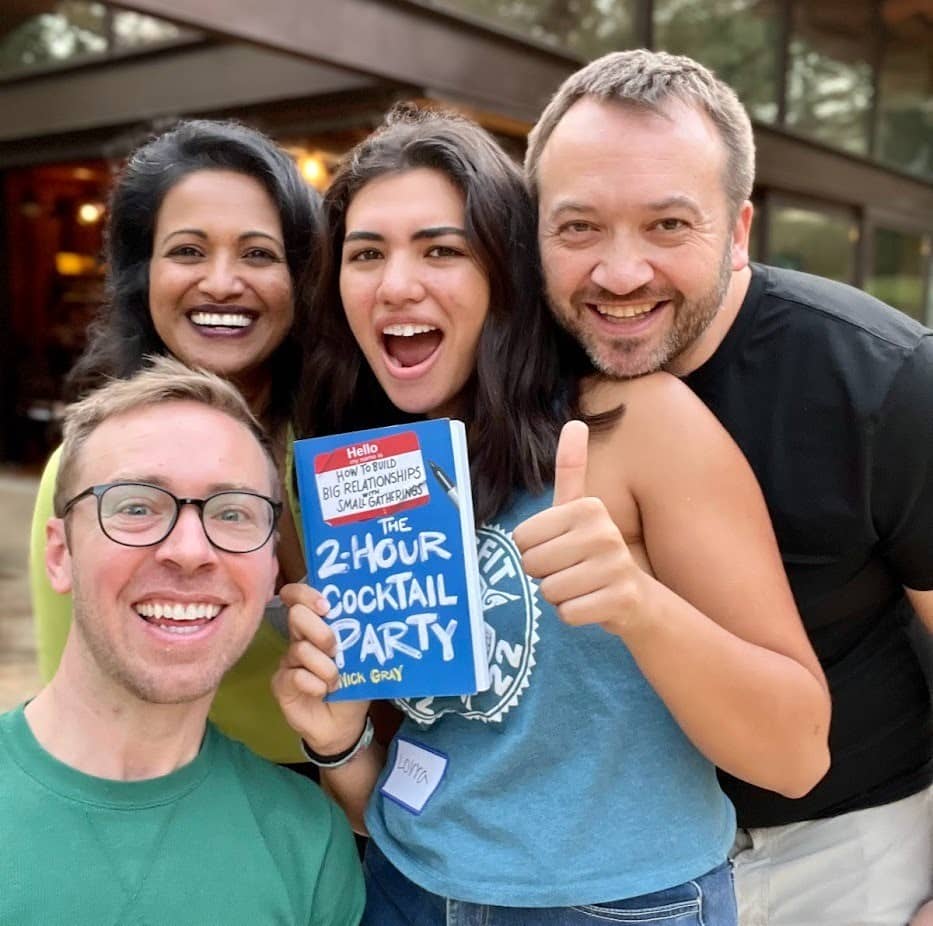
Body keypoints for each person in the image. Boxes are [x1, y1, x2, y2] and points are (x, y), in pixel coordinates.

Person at [273, 104, 831, 924]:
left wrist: (639, 608)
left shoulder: (636, 424)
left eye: (440, 249)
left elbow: (794, 755)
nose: (396, 284)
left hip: (617, 907)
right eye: (366, 254)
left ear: (506, 271)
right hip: (403, 889)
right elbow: (397, 786)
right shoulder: (361, 472)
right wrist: (337, 741)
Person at [524, 48, 933, 924]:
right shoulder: (524, 363)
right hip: (603, 868)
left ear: (739, 229)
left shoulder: (881, 381)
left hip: (841, 846)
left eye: (668, 226)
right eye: (578, 227)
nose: (620, 273)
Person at [1, 358, 364, 925]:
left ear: (271, 570)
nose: (191, 550)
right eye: (138, 507)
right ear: (59, 554)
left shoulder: (307, 840)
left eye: (233, 513)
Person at [29, 119, 318, 764]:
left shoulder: (356, 450)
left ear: (301, 280)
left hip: (362, 809)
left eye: (258, 254)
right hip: (171, 806)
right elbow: (69, 701)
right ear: (143, 274)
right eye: (188, 251)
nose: (220, 282)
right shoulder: (85, 475)